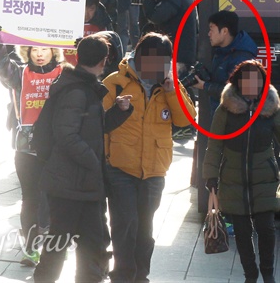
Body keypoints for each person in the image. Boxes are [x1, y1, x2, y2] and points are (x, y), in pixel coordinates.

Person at [33, 34, 133, 283]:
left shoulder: (83, 86)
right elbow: (67, 135)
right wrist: (93, 161)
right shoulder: (77, 90)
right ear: (104, 61)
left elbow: (92, 131)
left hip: (83, 185)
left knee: (91, 247)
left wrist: (118, 113)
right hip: (70, 184)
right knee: (61, 247)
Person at [102, 33, 196, 283]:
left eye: (164, 62)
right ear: (140, 57)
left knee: (145, 229)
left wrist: (172, 92)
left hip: (154, 171)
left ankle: (141, 276)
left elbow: (186, 120)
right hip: (121, 168)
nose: (158, 68)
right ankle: (122, 276)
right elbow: (100, 124)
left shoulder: (169, 84)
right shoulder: (116, 82)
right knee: (125, 226)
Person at [0, 23, 64, 267]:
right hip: (26, 148)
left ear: (54, 51)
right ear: (27, 52)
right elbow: (1, 66)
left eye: (45, 50)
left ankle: (52, 248)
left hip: (56, 147)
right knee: (30, 199)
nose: (40, 54)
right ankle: (31, 248)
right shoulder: (19, 74)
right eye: (34, 50)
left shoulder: (65, 74)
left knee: (53, 199)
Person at [203, 60, 280, 283]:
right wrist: (211, 175)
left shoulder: (271, 108)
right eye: (247, 79)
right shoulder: (225, 109)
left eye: (257, 79)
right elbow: (214, 144)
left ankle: (267, 272)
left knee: (266, 229)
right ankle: (250, 274)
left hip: (264, 179)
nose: (252, 84)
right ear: (237, 82)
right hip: (232, 179)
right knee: (242, 232)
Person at [193, 10, 258, 114]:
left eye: (211, 29)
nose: (209, 34)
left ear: (224, 31)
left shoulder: (242, 58)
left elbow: (238, 93)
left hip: (234, 120)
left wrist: (205, 86)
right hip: (221, 116)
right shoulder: (222, 51)